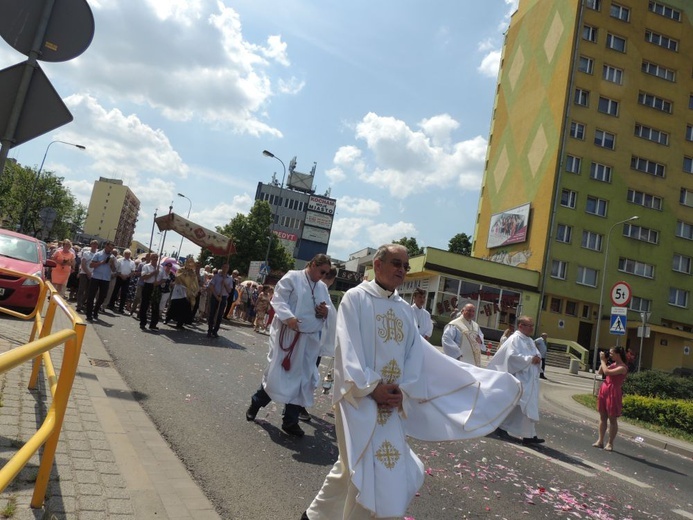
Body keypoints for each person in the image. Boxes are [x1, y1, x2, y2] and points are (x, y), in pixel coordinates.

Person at [302, 244, 521, 519]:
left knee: (364, 469)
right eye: (396, 263)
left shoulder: (404, 310)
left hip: (391, 403)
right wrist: (372, 388)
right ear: (377, 265)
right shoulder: (355, 298)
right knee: (361, 467)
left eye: (405, 266)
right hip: (358, 399)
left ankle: (316, 516)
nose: (402, 270)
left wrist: (403, 391)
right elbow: (347, 348)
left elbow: (416, 356)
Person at [245, 254, 333, 437]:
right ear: (313, 264)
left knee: (303, 380)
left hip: (309, 341)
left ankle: (290, 421)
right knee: (280, 377)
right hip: (289, 336)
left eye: (326, 273)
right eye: (322, 271)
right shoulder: (293, 277)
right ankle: (256, 402)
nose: (323, 276)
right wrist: (289, 317)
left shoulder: (322, 287)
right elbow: (278, 300)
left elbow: (329, 310)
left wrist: (325, 311)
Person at [487, 315, 545, 445]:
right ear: (520, 326)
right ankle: (502, 427)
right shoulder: (514, 339)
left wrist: (537, 358)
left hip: (530, 378)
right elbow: (512, 357)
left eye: (532, 326)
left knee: (525, 407)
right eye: (529, 326)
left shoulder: (529, 340)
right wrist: (530, 359)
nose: (531, 328)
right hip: (519, 377)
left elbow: (536, 353)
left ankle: (529, 435)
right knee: (519, 405)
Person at [593, 346, 628, 452]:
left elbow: (607, 372)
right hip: (605, 390)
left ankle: (610, 443)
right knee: (602, 416)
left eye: (612, 353)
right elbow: (600, 372)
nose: (610, 354)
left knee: (612, 418)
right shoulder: (612, 364)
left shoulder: (623, 367)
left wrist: (603, 361)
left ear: (618, 354)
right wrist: (604, 361)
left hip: (613, 392)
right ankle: (600, 441)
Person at [85, 241, 117, 323]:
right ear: (106, 246)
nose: (110, 249)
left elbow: (114, 270)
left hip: (106, 279)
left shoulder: (113, 257)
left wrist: (111, 264)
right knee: (91, 296)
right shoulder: (98, 254)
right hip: (96, 277)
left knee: (103, 296)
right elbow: (91, 265)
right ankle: (89, 314)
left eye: (112, 248)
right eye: (109, 247)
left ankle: (95, 311)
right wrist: (101, 263)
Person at [165, 257, 199, 329]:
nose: (190, 265)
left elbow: (194, 282)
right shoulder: (181, 269)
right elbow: (177, 276)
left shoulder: (193, 272)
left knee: (184, 308)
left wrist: (195, 289)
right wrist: (184, 274)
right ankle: (167, 319)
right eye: (189, 263)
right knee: (174, 305)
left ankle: (180, 323)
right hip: (179, 290)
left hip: (187, 292)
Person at [207, 263, 234, 337]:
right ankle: (209, 329)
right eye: (224, 267)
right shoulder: (216, 276)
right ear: (222, 267)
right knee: (212, 313)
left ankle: (215, 331)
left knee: (219, 315)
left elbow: (229, 291)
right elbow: (211, 286)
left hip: (223, 297)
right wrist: (216, 296)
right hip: (215, 296)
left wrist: (224, 284)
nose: (225, 268)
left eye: (227, 267)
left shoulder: (229, 278)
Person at [108, 249, 136, 313]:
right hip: (119, 277)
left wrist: (127, 276)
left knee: (124, 293)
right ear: (124, 254)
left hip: (127, 278)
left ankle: (121, 308)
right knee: (115, 291)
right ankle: (111, 305)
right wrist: (121, 275)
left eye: (129, 254)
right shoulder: (119, 260)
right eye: (126, 254)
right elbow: (116, 269)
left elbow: (133, 271)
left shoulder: (132, 262)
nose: (127, 255)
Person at [139, 253, 161, 331]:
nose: (155, 258)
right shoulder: (146, 266)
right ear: (151, 258)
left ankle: (153, 324)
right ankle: (142, 322)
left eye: (156, 257)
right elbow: (143, 277)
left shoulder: (160, 268)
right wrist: (153, 273)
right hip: (148, 286)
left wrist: (159, 282)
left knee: (155, 306)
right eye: (154, 257)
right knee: (144, 305)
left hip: (156, 287)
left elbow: (165, 278)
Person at [76, 240, 98, 313]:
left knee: (88, 291)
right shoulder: (86, 253)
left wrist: (91, 273)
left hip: (93, 275)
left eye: (96, 245)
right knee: (81, 290)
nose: (95, 246)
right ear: (91, 245)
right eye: (93, 244)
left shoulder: (97, 255)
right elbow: (83, 264)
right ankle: (79, 305)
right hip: (84, 273)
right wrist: (88, 272)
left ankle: (82, 303)